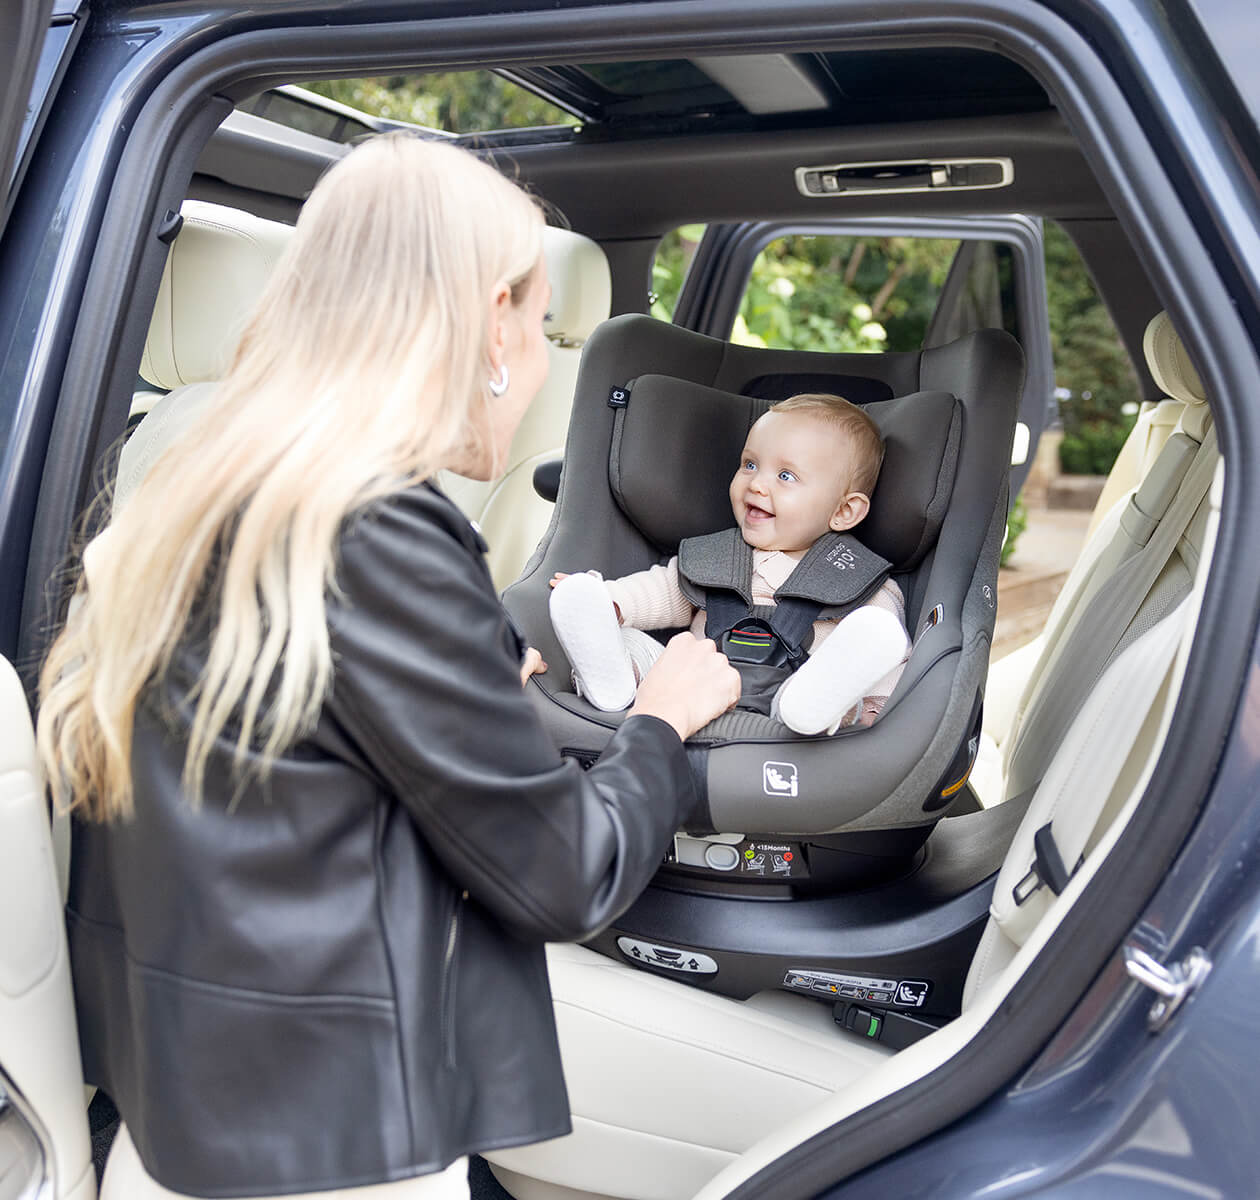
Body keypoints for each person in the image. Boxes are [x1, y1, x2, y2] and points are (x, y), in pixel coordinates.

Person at [35, 133, 739, 1199]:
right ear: (491, 323)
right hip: (327, 1151)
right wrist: (663, 723)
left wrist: (480, 695)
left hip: (184, 1125)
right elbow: (565, 877)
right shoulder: (376, 532)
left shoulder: (202, 492)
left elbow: (277, 779)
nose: (542, 364)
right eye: (542, 325)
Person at [549, 394, 910, 736]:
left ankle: (810, 709)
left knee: (856, 654)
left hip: (796, 691)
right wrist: (608, 601)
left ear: (844, 511)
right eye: (750, 465)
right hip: (689, 689)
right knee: (630, 642)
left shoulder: (858, 578)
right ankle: (615, 684)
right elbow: (660, 590)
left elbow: (881, 650)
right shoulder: (715, 556)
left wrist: (877, 702)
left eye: (785, 476)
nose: (757, 484)